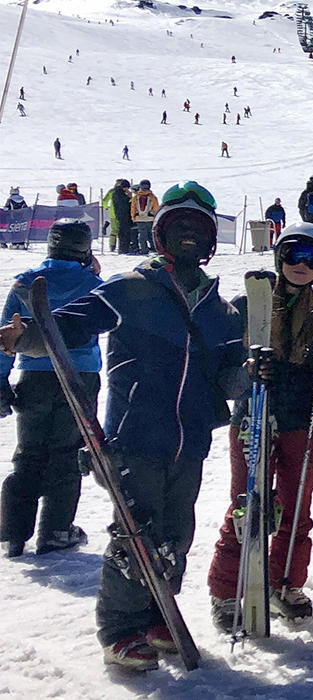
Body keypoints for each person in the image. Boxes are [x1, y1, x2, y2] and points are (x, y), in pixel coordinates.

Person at [0, 182, 244, 672]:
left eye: (199, 228)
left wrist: (253, 369)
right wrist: (27, 336)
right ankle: (119, 629)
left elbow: (230, 375)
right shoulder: (133, 287)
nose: (190, 237)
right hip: (136, 436)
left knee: (176, 533)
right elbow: (72, 323)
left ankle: (157, 615)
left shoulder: (219, 309)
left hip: (190, 440)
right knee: (136, 534)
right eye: (179, 227)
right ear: (161, 235)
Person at [205, 222, 313, 629]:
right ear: (280, 257)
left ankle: (284, 582)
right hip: (254, 414)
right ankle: (227, 589)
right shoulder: (247, 304)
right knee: (248, 502)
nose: (301, 264)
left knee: (296, 505)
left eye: (311, 258)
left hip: (302, 416)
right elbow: (223, 369)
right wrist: (248, 372)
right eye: (294, 254)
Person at [0, 220, 103, 558]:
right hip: (79, 377)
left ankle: (13, 533)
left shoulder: (26, 282)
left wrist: (0, 380)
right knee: (66, 454)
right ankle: (56, 532)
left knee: (29, 453)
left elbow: (5, 335)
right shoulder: (93, 284)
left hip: (35, 378)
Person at [129, 180, 159, 255]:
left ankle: (144, 249)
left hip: (139, 218)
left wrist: (133, 218)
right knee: (151, 234)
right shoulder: (153, 197)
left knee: (142, 235)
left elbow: (133, 208)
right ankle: (154, 248)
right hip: (150, 218)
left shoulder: (136, 197)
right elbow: (156, 208)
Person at [105, 179, 132, 253]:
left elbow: (105, 201)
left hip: (113, 214)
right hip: (118, 214)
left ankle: (112, 245)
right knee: (118, 230)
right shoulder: (122, 193)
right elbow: (127, 203)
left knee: (115, 230)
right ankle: (114, 245)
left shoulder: (112, 192)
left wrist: (106, 207)